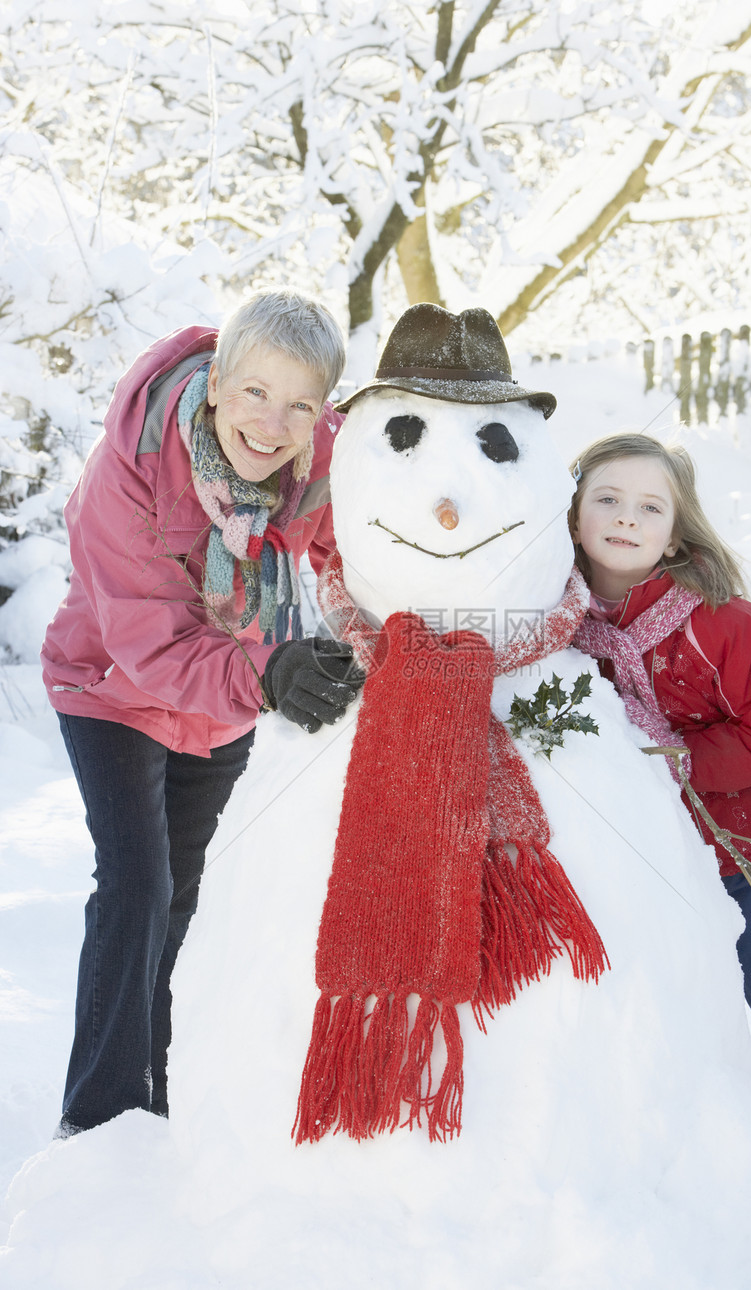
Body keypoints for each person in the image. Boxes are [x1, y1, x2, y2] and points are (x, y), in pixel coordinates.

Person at [41, 289, 364, 1135]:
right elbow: (149, 642)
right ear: (217, 383)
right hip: (110, 685)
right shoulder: (133, 468)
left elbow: (348, 552)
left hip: (221, 700)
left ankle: (163, 1100)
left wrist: (359, 630)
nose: (273, 422)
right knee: (138, 885)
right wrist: (267, 673)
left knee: (185, 894)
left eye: (300, 403)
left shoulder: (319, 455)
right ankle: (100, 1119)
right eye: (256, 392)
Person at [568, 431, 751, 1091]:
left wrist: (665, 761)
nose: (625, 517)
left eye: (650, 508)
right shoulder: (564, 625)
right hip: (659, 857)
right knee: (680, 999)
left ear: (675, 535)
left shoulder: (723, 622)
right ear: (573, 516)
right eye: (607, 499)